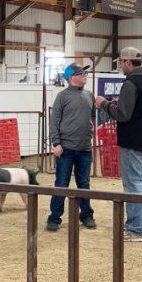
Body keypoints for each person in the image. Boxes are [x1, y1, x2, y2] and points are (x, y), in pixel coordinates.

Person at [95, 47, 142, 243]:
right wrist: (120, 102)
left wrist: (104, 104)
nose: (120, 67)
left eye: (121, 63)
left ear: (128, 62)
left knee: (133, 185)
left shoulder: (131, 83)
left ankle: (136, 229)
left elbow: (123, 115)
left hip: (133, 141)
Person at [47, 63, 97, 232]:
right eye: (81, 73)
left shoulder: (90, 95)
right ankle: (54, 218)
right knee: (61, 183)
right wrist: (56, 143)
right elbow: (54, 121)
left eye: (85, 73)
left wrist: (88, 135)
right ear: (71, 78)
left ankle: (87, 215)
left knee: (84, 184)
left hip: (85, 149)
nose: (85, 75)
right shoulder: (62, 96)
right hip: (65, 148)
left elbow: (92, 117)